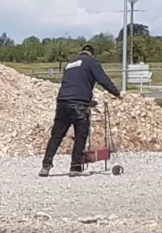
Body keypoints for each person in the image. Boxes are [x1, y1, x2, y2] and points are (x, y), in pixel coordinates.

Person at [43, 43, 118, 176]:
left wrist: (88, 101)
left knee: (56, 135)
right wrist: (116, 93)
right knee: (80, 135)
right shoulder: (92, 62)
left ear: (81, 52)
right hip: (78, 105)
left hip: (62, 102)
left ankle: (46, 165)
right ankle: (75, 167)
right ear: (93, 54)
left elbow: (74, 85)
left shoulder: (70, 64)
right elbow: (103, 80)